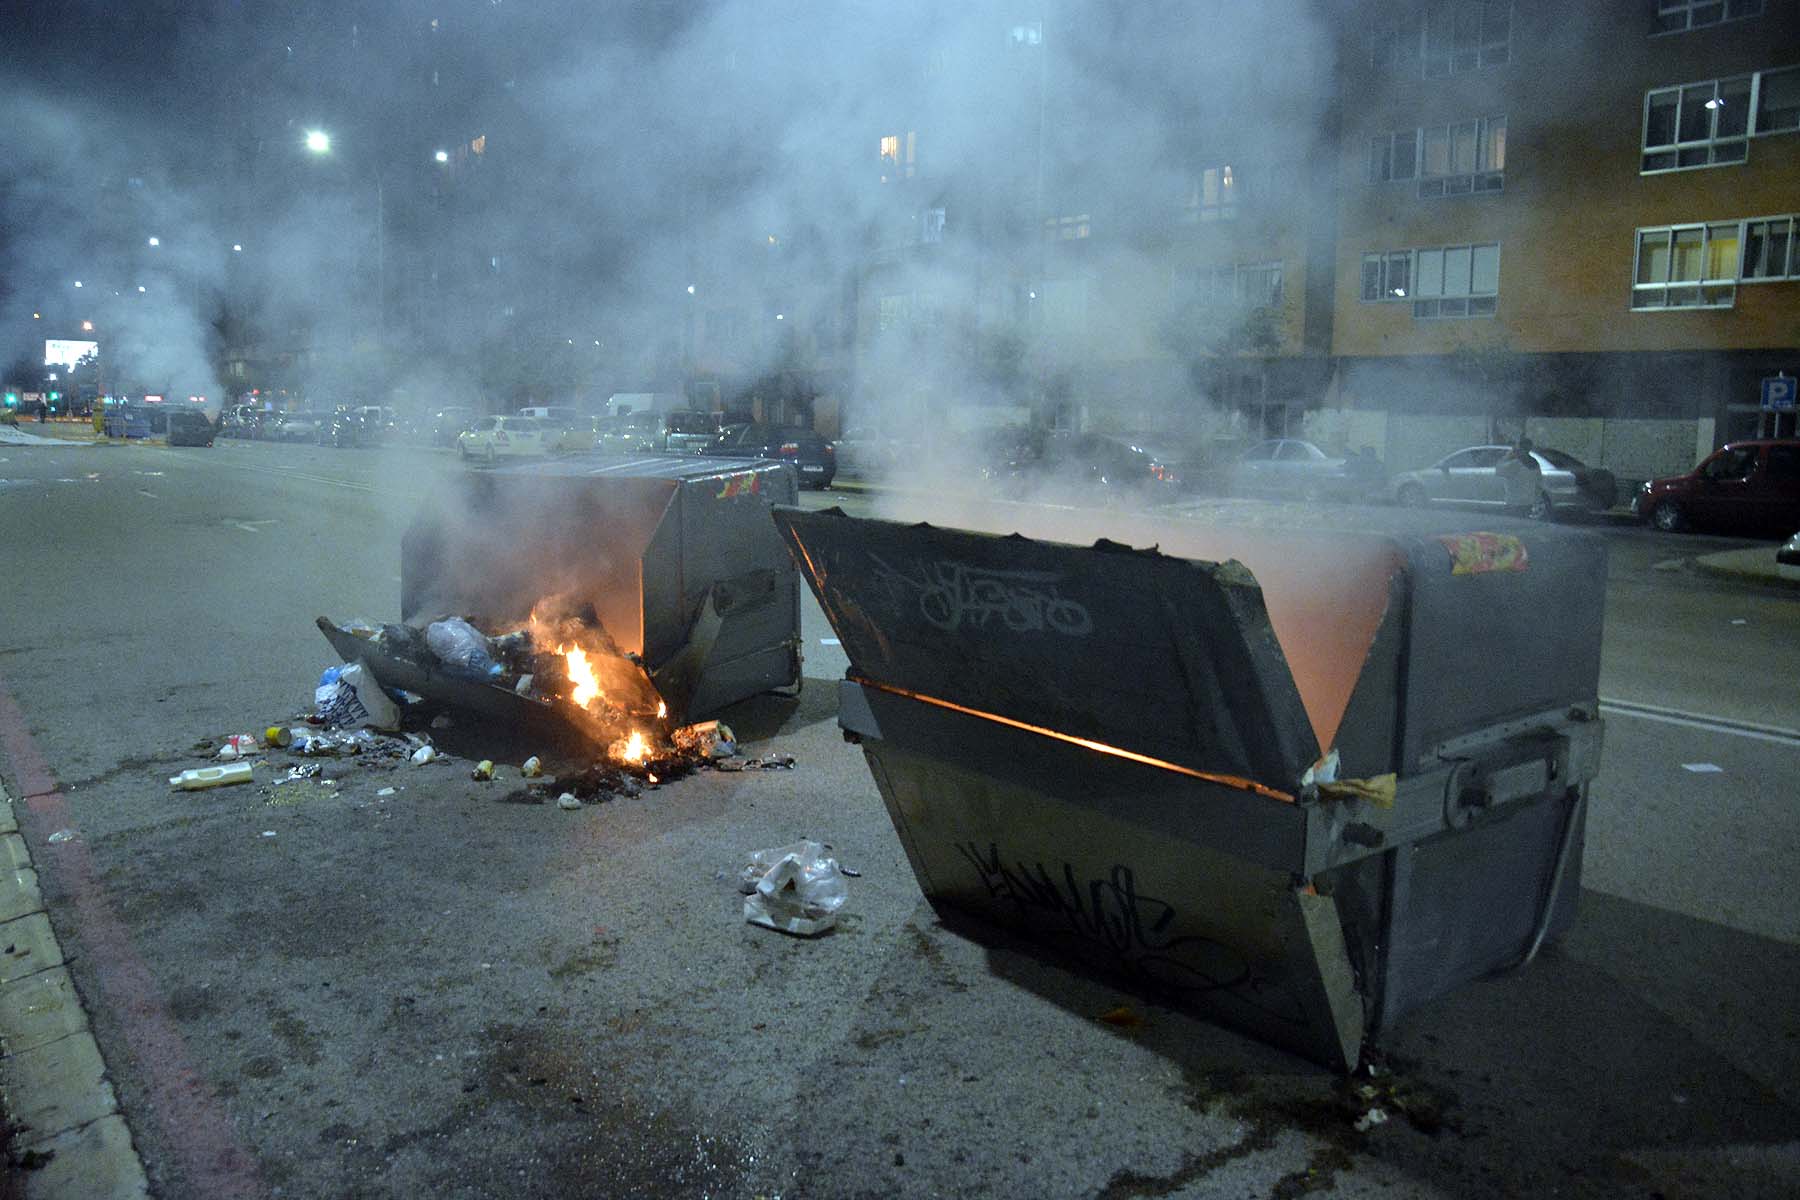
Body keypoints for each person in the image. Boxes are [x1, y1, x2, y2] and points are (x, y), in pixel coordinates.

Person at [1496, 436, 1541, 516]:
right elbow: (1539, 482)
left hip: (1514, 502)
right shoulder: (1534, 463)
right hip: (1528, 501)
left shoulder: (1516, 463)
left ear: (1520, 449)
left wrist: (1508, 456)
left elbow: (1498, 471)